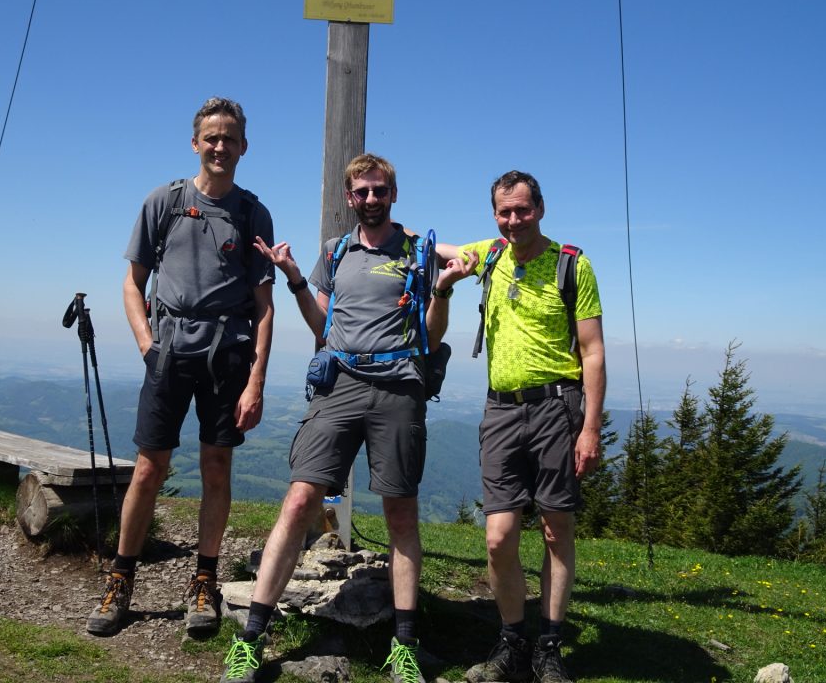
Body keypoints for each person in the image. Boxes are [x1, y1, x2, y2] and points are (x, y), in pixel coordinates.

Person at [218, 153, 477, 683]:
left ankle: (404, 645)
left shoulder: (418, 251)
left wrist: (445, 288)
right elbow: (322, 324)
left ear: (393, 194)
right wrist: (292, 278)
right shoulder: (335, 252)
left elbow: (434, 333)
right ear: (349, 197)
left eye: (379, 190)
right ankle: (251, 639)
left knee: (400, 513)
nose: (370, 199)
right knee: (299, 499)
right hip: (339, 383)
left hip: (400, 384)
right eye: (360, 192)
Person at [86, 97, 275, 638]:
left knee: (217, 467)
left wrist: (256, 379)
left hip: (227, 353)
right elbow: (132, 282)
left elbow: (264, 306)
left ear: (243, 146)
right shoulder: (163, 202)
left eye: (230, 138)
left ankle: (204, 581)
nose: (220, 147)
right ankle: (121, 578)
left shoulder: (252, 213)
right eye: (211, 137)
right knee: (149, 467)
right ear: (196, 143)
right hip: (168, 349)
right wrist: (148, 345)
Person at [442, 171, 605, 683]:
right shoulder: (490, 255)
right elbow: (436, 248)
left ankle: (549, 647)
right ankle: (513, 638)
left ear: (541, 208)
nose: (514, 220)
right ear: (494, 214)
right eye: (504, 212)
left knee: (557, 530)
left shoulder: (571, 265)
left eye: (522, 210)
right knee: (498, 537)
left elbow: (593, 353)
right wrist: (415, 242)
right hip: (501, 410)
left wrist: (591, 429)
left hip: (558, 408)